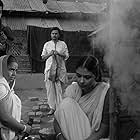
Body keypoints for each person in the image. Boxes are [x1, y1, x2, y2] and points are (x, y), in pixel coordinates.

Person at [54, 55, 110, 140]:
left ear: (96, 75)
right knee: (67, 103)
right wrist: (60, 136)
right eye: (79, 76)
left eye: (87, 77)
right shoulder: (72, 90)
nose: (81, 81)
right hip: (69, 137)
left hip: (92, 137)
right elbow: (57, 119)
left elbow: (104, 130)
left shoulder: (105, 92)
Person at [0, 55, 31, 140]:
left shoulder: (8, 88)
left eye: (16, 70)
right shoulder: (1, 87)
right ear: (2, 68)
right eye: (11, 69)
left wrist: (18, 122)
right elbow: (4, 118)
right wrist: (24, 128)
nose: (14, 74)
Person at [41, 27, 69, 115]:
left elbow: (66, 56)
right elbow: (43, 57)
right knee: (50, 90)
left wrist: (59, 53)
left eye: (56, 33)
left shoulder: (63, 44)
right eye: (53, 33)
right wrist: (50, 54)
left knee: (60, 89)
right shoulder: (47, 44)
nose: (54, 35)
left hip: (60, 69)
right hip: (49, 70)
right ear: (50, 34)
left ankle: (60, 108)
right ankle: (52, 108)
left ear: (59, 35)